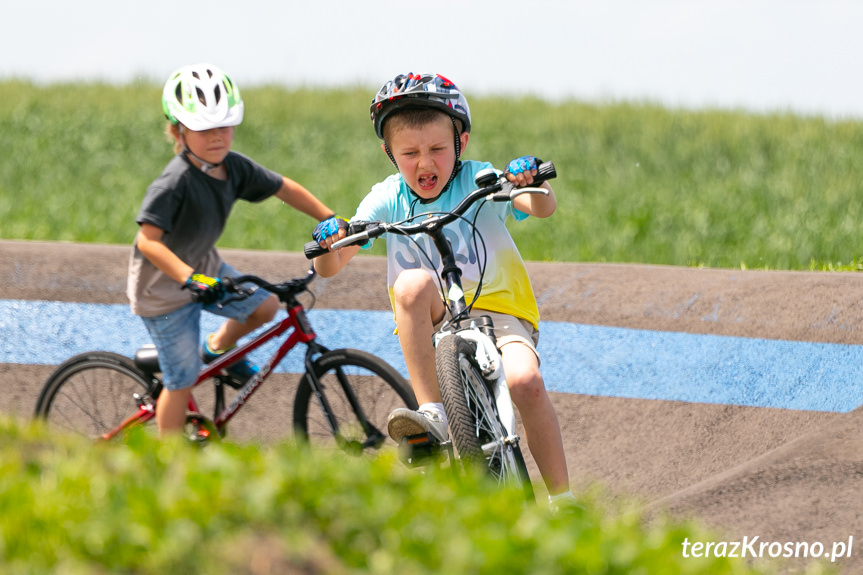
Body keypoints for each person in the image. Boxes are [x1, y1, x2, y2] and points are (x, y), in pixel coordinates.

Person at [311, 72, 576, 508]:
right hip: (434, 322)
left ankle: (564, 501)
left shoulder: (478, 179)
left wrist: (531, 183)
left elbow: (540, 208)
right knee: (412, 285)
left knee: (526, 381)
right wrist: (327, 244)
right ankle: (430, 412)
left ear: (461, 143)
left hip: (500, 313)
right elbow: (331, 266)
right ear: (389, 154)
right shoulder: (387, 198)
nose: (425, 163)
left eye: (437, 149)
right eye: (410, 153)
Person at [127, 63, 338, 437]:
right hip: (162, 288)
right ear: (178, 130)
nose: (217, 136)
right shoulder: (173, 183)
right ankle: (166, 464)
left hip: (204, 267)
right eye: (204, 129)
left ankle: (216, 350)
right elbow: (147, 241)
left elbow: (282, 187)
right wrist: (188, 278)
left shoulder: (233, 168)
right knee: (182, 378)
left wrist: (330, 218)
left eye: (224, 126)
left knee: (266, 306)